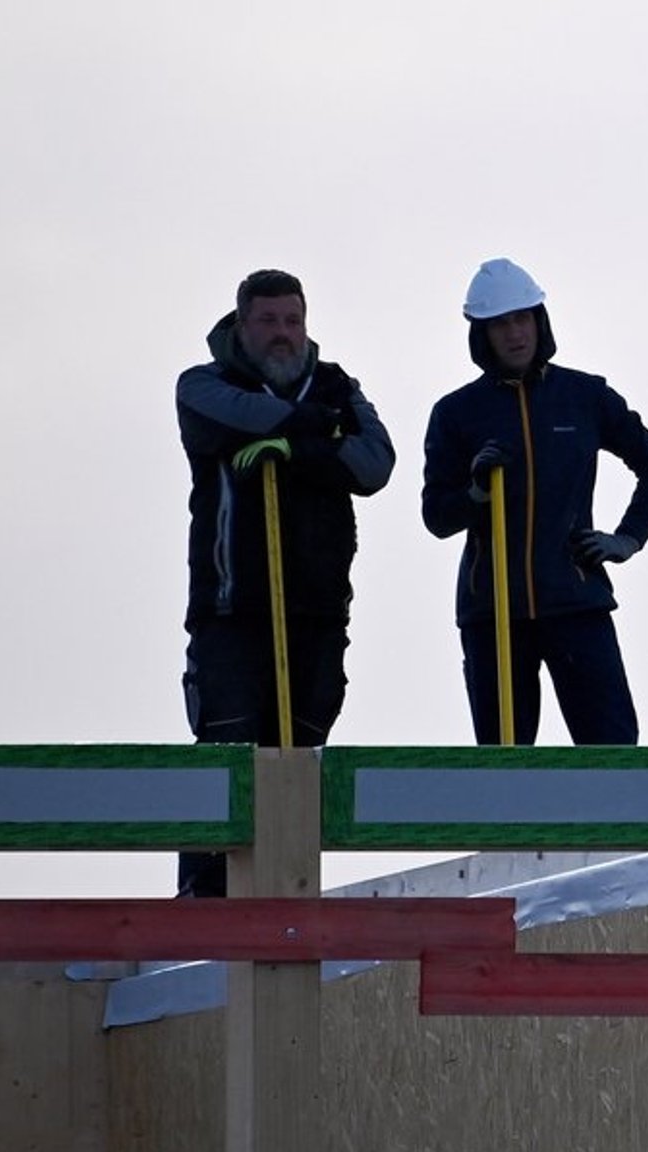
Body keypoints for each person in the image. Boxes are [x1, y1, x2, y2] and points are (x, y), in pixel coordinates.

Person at [176, 269, 395, 896]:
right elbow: (232, 415)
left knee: (303, 757)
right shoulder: (204, 383)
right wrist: (320, 430)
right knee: (228, 751)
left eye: (292, 321)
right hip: (230, 606)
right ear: (242, 325)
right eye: (268, 321)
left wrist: (298, 448)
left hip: (318, 610)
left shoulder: (337, 386)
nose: (282, 334)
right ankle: (202, 899)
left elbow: (376, 464)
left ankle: (285, 893)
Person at [422, 258, 648, 745]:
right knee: (503, 769)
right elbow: (436, 515)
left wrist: (628, 538)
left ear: (540, 321)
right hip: (492, 614)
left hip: (577, 602)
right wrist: (476, 492)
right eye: (500, 323)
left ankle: (613, 826)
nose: (515, 333)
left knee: (613, 753)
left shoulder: (585, 396)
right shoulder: (456, 413)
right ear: (482, 334)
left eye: (523, 318)